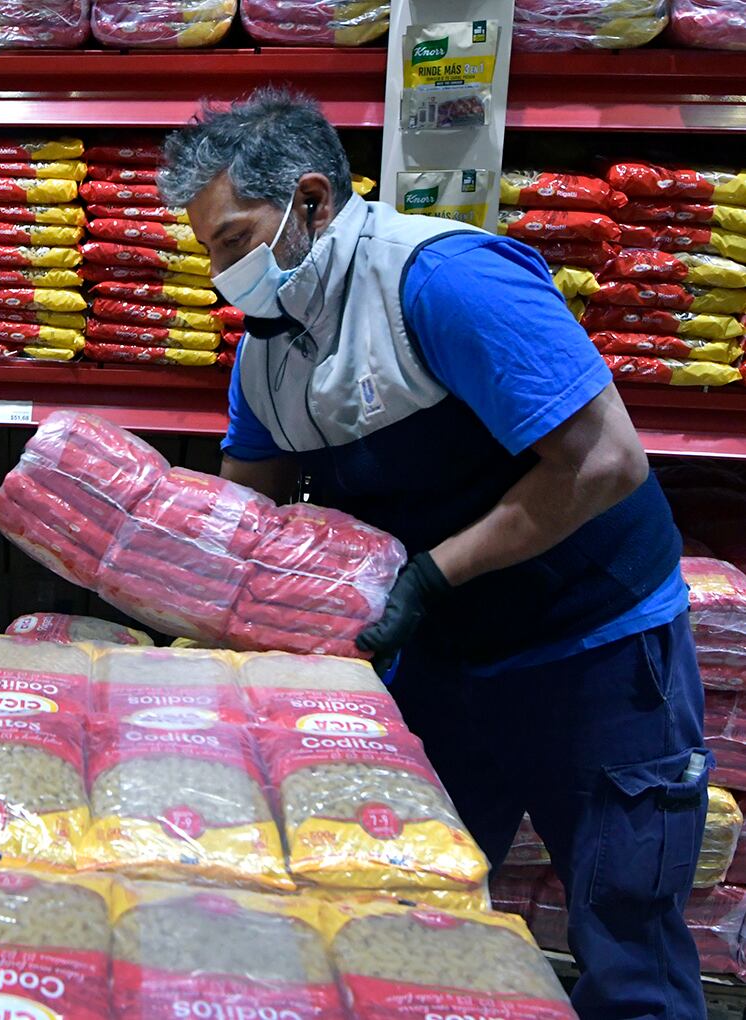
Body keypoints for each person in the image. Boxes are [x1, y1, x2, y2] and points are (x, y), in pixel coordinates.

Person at [160, 87, 708, 1019]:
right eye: (208, 249)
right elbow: (241, 510)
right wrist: (168, 583)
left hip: (595, 649)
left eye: (232, 240)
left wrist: (429, 575)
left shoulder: (442, 281)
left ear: (311, 201)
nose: (221, 274)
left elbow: (607, 462)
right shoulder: (267, 351)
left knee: (624, 935)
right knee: (411, 910)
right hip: (445, 660)